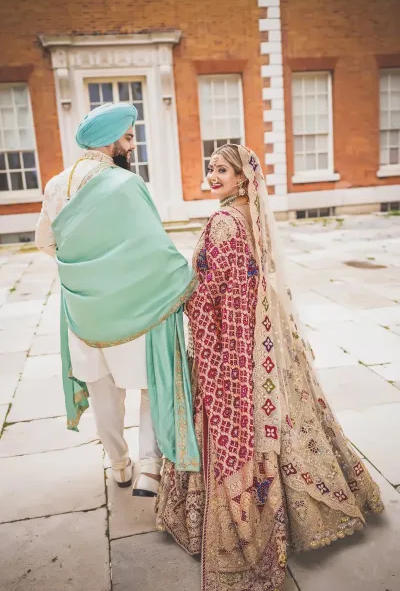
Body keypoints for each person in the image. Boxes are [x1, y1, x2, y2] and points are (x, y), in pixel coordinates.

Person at [156, 144, 384, 591]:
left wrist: (176, 300)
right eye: (210, 168)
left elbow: (210, 290)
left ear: (242, 177)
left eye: (221, 169)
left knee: (245, 425)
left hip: (230, 347)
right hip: (257, 340)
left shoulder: (223, 222)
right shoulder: (251, 214)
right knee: (288, 418)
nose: (212, 175)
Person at [35, 103, 200, 497]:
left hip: (84, 311)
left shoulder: (57, 184)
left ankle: (119, 465)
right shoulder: (127, 184)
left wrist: (86, 266)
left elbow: (45, 242)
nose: (132, 145)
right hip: (134, 307)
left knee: (101, 388)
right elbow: (152, 246)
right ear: (111, 143)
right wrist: (185, 278)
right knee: (147, 385)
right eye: (128, 138)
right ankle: (149, 470)